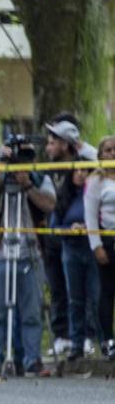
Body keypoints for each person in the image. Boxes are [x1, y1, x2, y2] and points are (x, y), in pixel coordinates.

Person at [0, 140, 56, 377]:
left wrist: (28, 186)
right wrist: (2, 168)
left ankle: (32, 359)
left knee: (32, 311)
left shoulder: (40, 179)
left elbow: (50, 204)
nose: (20, 162)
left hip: (30, 253)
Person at [55, 156, 101, 360]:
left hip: (93, 250)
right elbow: (54, 227)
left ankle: (96, 339)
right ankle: (76, 343)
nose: (81, 174)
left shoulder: (96, 195)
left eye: (86, 170)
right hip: (71, 250)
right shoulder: (64, 197)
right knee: (75, 299)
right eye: (77, 170)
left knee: (96, 296)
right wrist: (69, 229)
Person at [44, 119, 82, 354]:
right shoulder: (47, 171)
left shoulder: (81, 170)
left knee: (77, 292)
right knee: (57, 288)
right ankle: (61, 335)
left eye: (53, 142)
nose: (48, 147)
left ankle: (81, 338)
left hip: (75, 240)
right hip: (52, 237)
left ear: (66, 145)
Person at [84, 135, 115, 360]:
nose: (112, 154)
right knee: (107, 291)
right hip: (107, 240)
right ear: (101, 155)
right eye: (108, 150)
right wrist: (96, 245)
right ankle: (107, 340)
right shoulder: (96, 181)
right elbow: (90, 216)